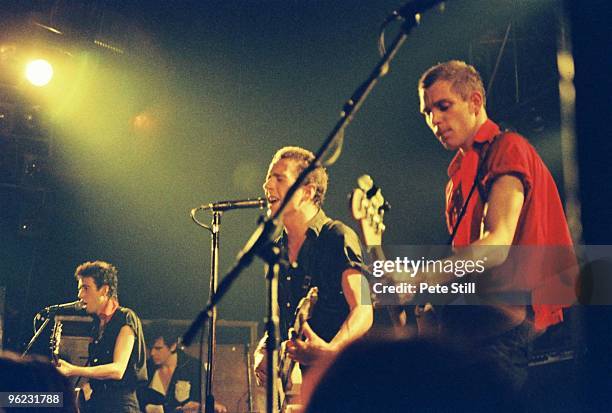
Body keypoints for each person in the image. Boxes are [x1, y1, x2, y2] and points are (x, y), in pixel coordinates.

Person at [395, 60, 576, 391]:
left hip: (501, 329)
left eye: (443, 106)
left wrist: (421, 277)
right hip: (472, 330)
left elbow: (495, 245)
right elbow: (465, 265)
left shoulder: (508, 148)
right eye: (427, 113)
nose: (434, 119)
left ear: (475, 101)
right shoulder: (456, 178)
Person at [254, 146, 373, 393]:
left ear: (307, 192)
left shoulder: (336, 237)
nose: (267, 185)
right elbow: (279, 321)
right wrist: (263, 352)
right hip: (310, 388)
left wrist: (331, 350)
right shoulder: (277, 250)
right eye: (268, 178)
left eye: (279, 178)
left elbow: (363, 308)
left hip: (347, 380)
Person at [56, 260, 147, 413]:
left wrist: (73, 369)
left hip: (121, 407)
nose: (80, 295)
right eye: (80, 289)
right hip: (98, 403)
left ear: (104, 290)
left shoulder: (125, 318)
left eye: (86, 288)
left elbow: (117, 370)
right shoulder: (96, 325)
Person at [137, 321, 227, 413]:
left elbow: (202, 399)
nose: (152, 353)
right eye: (150, 348)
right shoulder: (145, 369)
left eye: (158, 348)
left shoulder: (193, 367)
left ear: (173, 346)